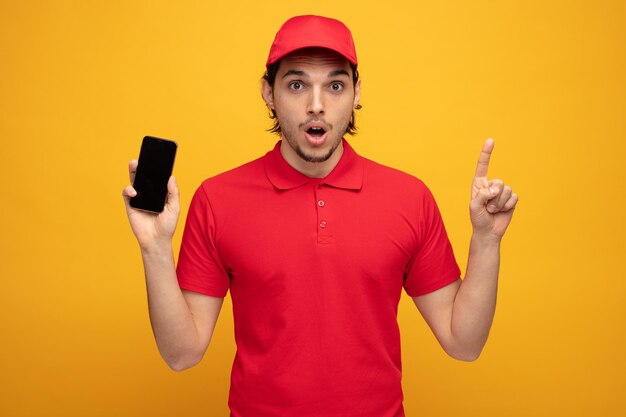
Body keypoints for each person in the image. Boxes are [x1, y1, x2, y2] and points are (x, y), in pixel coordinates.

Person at [123, 15, 518, 417]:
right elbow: (181, 354)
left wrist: (487, 241)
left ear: (356, 92)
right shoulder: (217, 199)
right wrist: (155, 249)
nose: (317, 105)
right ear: (268, 92)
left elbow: (463, 343)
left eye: (335, 85)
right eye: (297, 85)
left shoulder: (409, 197)